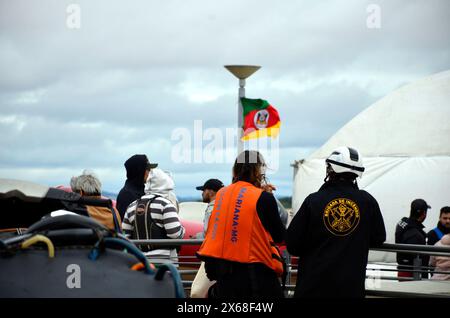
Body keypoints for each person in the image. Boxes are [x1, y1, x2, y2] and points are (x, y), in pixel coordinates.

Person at [286, 146, 386, 298]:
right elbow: (378, 238)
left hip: (312, 289)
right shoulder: (368, 202)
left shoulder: (313, 201)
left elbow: (293, 245)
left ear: (331, 169)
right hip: (350, 290)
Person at [197, 150, 286, 298]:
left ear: (235, 170)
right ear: (259, 170)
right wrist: (268, 197)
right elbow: (280, 235)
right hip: (255, 274)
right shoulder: (264, 198)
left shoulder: (221, 194)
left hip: (224, 275)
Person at [122, 168, 185, 265]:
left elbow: (125, 235)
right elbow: (175, 234)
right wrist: (182, 230)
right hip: (164, 262)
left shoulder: (132, 205)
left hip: (139, 260)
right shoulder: (165, 204)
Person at [395, 198, 431, 279]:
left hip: (402, 269)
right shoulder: (416, 234)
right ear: (424, 214)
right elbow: (417, 257)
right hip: (412, 273)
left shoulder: (402, 223)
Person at [116, 154, 158, 220]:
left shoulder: (142, 191)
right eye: (147, 168)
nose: (149, 171)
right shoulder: (127, 195)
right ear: (139, 171)